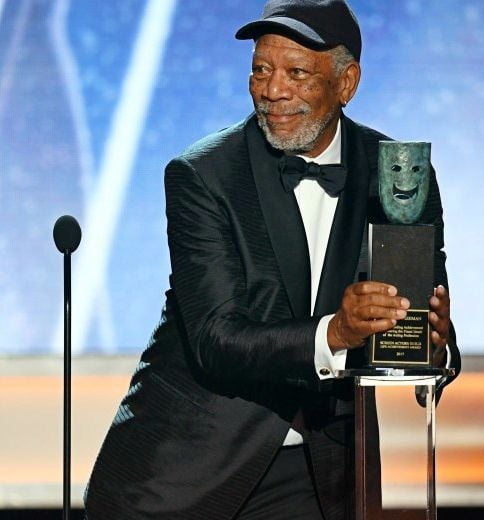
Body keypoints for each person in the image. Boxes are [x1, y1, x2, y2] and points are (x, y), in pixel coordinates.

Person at [84, 1, 460, 518]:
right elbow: (217, 339)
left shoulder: (399, 174)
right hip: (188, 472)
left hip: (321, 473)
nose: (273, 90)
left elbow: (425, 318)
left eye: (296, 73)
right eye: (261, 70)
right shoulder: (205, 175)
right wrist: (335, 333)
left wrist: (432, 344)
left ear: (346, 83)